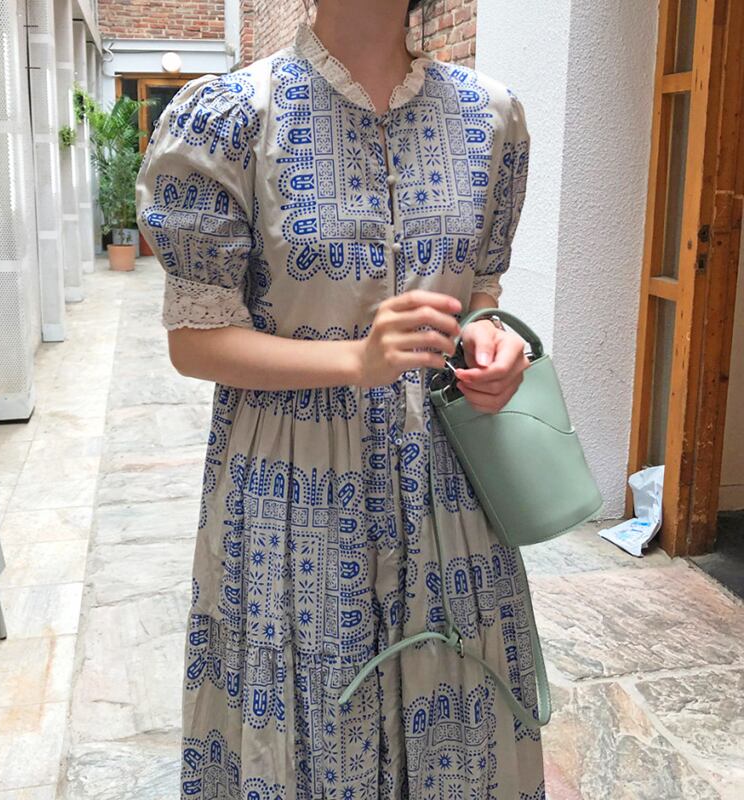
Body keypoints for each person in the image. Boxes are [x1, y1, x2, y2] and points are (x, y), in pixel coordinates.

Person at [135, 0, 544, 796]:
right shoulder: (234, 117)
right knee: (307, 740)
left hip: (449, 497)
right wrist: (357, 360)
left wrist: (492, 344)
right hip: (291, 494)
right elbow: (195, 341)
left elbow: (479, 296)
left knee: (459, 735)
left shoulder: (489, 117)